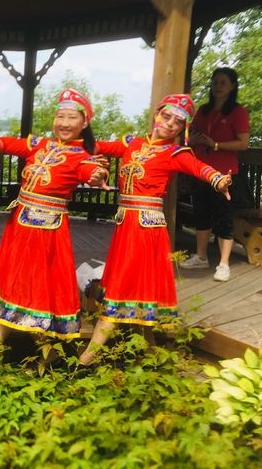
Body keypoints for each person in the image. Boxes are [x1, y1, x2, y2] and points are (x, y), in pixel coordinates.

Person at [77, 94, 232, 368]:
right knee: (135, 288)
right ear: (156, 115)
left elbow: (200, 168)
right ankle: (151, 356)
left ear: (182, 128)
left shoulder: (175, 153)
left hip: (146, 231)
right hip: (126, 227)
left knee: (122, 287)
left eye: (177, 121)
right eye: (166, 116)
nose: (170, 123)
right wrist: (76, 136)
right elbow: (95, 146)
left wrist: (218, 180)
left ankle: (87, 358)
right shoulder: (132, 143)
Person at [0, 89, 109, 366]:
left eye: (72, 117)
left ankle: (31, 356)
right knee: (13, 286)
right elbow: (5, 141)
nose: (64, 123)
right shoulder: (39, 144)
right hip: (19, 228)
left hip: (47, 234)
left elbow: (91, 172)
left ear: (84, 122)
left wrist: (98, 175)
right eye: (61, 116)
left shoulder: (81, 156)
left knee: (37, 289)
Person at [180, 67, 250, 282]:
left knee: (223, 218)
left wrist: (216, 144)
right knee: (201, 214)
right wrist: (193, 141)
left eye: (223, 82)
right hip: (201, 171)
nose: (218, 86)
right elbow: (189, 137)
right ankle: (201, 256)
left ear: (232, 86)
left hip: (224, 174)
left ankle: (224, 264)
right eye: (215, 82)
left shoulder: (238, 112)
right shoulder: (204, 110)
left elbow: (243, 143)